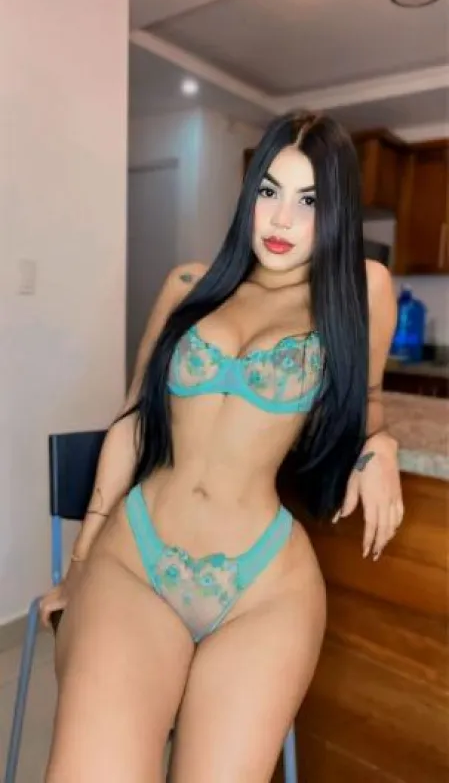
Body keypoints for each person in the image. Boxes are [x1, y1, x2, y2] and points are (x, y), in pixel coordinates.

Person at [40, 112, 403, 782]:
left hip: (262, 588)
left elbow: (368, 404)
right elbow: (131, 424)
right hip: (137, 559)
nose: (282, 218)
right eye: (268, 191)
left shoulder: (360, 292)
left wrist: (380, 446)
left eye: (309, 200)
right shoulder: (189, 286)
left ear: (336, 212)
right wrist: (80, 562)